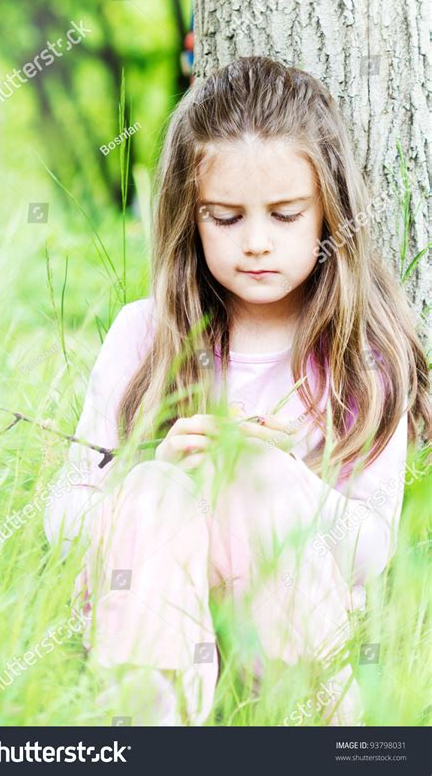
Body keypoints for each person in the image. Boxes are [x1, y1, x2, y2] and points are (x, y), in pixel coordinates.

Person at [43, 57, 430, 727]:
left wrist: (277, 474)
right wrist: (157, 469)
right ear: (190, 217)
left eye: (284, 215)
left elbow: (372, 549)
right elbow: (63, 518)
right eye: (225, 218)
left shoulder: (359, 357)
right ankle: (150, 725)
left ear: (329, 210)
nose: (256, 244)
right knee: (157, 491)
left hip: (297, 648)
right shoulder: (146, 336)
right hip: (161, 617)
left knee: (260, 482)